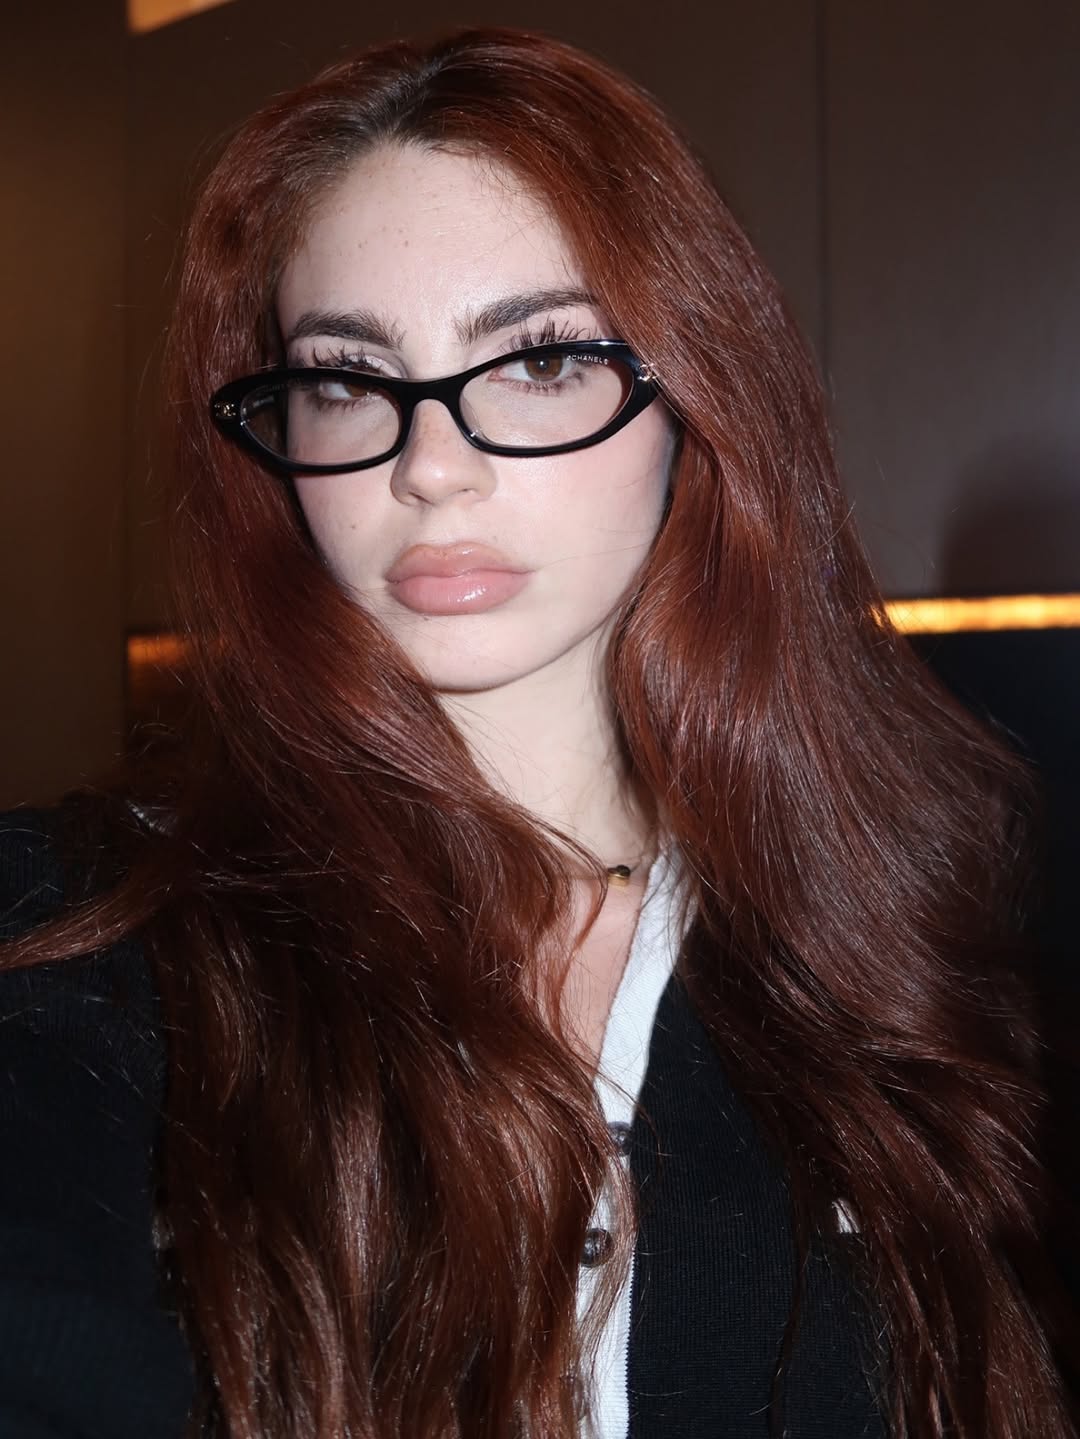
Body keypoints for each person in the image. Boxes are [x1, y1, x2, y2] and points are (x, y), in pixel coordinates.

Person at [0, 26, 1075, 1439]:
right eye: (345, 380)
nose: (428, 466)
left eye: (543, 360)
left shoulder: (922, 929)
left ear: (694, 396)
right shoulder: (83, 935)